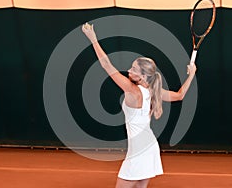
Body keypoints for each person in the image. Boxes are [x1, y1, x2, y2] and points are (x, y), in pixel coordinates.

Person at [82, 23, 197, 188]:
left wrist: (93, 39)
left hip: (139, 152)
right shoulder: (153, 91)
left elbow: (106, 65)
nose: (129, 70)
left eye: (134, 69)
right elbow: (179, 95)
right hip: (149, 147)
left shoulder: (133, 90)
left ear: (143, 75)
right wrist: (192, 74)